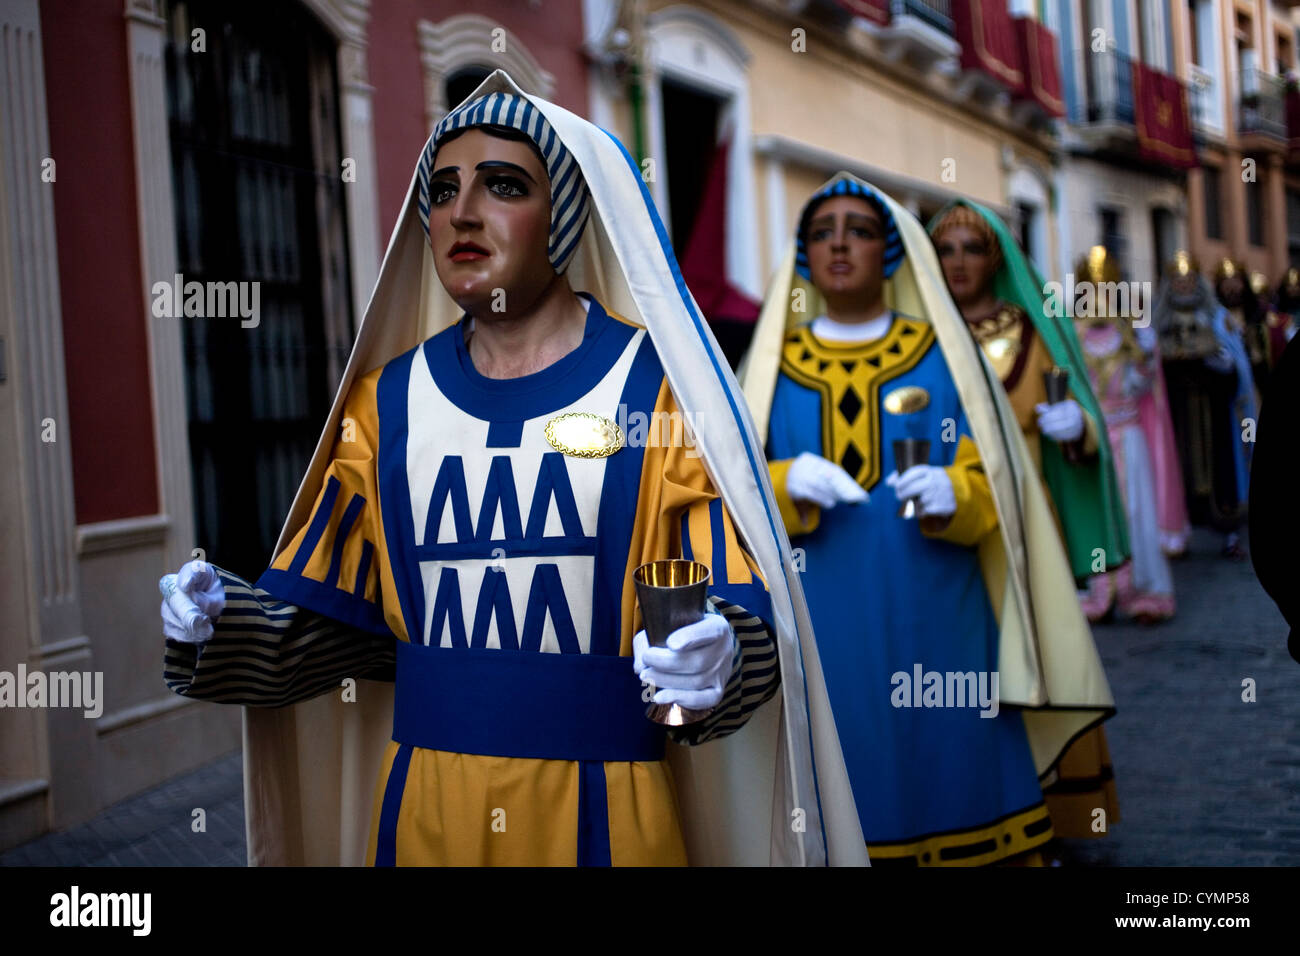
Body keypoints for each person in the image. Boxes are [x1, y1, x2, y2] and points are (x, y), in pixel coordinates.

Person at [159, 72, 865, 867]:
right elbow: (331, 621)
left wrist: (723, 651)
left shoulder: (657, 390)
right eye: (444, 188)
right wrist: (219, 619)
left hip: (610, 815)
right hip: (421, 817)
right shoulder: (382, 405)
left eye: (503, 185)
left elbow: (732, 597)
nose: (461, 212)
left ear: (561, 213)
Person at [740, 174, 1114, 865]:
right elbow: (731, 490)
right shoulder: (770, 369)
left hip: (940, 605)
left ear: (889, 252)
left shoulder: (943, 353)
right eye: (823, 233)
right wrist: (786, 484)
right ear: (803, 257)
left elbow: (995, 480)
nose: (840, 244)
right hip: (821, 609)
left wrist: (960, 493)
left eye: (860, 229)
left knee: (949, 755)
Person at [928, 204, 1128, 844]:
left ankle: (1052, 810)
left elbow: (1079, 416)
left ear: (995, 259)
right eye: (947, 249)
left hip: (1029, 522)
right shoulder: (918, 334)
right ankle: (970, 809)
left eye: (972, 249)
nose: (959, 262)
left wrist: (1080, 432)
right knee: (960, 664)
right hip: (949, 524)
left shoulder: (1034, 333)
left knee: (1038, 656)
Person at [1075, 247, 1178, 624]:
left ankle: (1144, 591)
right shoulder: (1072, 335)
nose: (1099, 297)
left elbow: (1143, 384)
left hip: (1129, 438)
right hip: (1090, 440)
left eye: (1106, 289)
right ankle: (1099, 592)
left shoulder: (1134, 333)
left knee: (1135, 511)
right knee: (1096, 512)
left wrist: (1145, 358)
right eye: (1092, 289)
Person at [1156, 254, 1254, 559]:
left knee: (1221, 471)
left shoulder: (1218, 317)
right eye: (1177, 281)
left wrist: (1222, 365)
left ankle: (1228, 533)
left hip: (1214, 411)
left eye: (1189, 281)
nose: (1183, 286)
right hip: (1178, 411)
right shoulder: (1159, 321)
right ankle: (1178, 536)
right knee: (1178, 470)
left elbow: (1237, 366)